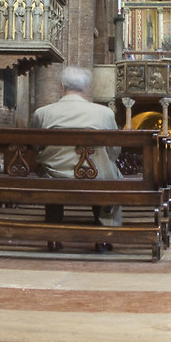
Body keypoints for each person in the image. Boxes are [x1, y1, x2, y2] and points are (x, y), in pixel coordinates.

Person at [32, 65, 120, 228]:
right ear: (85, 88)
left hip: (54, 177)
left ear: (62, 86)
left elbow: (36, 147)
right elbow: (114, 151)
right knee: (109, 169)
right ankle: (105, 228)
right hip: (97, 177)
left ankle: (53, 223)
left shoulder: (42, 113)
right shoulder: (104, 113)